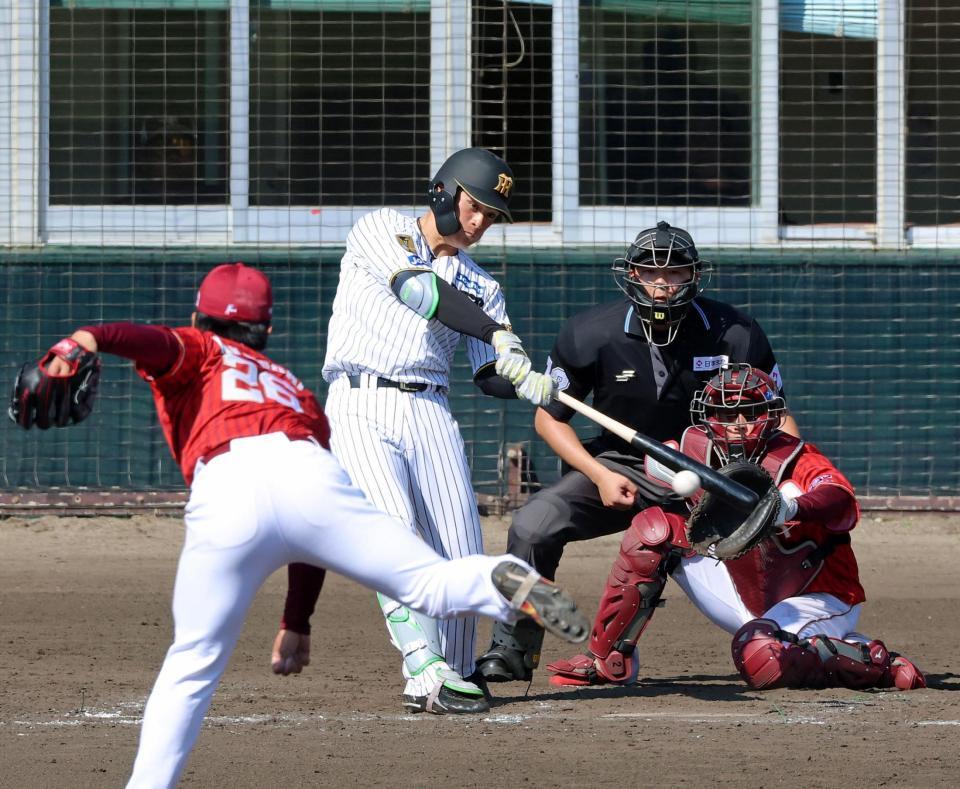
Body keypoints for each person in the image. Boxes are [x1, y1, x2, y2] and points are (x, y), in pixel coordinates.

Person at [10, 262, 586, 788]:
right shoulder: (292, 388)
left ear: (198, 318)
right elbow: (309, 533)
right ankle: (498, 577)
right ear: (265, 331)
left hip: (230, 483)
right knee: (428, 583)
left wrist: (78, 341)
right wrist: (297, 619)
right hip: (310, 473)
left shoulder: (198, 347)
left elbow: (139, 338)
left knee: (193, 662)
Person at [272, 147, 555, 715]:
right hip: (361, 399)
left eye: (491, 215)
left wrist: (529, 379)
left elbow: (487, 374)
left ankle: (456, 670)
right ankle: (424, 669)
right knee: (394, 535)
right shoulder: (382, 228)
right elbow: (418, 290)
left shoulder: (482, 285)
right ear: (444, 193)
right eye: (475, 206)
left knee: (460, 551)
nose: (480, 222)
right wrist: (496, 333)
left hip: (431, 409)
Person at [476, 220, 800, 685]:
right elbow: (549, 419)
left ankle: (800, 634)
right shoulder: (590, 333)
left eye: (675, 272)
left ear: (695, 275)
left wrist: (788, 485)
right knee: (532, 526)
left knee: (771, 611)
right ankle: (511, 649)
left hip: (714, 478)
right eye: (650, 272)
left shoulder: (736, 333)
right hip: (619, 465)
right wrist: (599, 475)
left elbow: (777, 417)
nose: (662, 284)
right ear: (631, 274)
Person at [547, 363, 925, 691]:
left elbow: (840, 499)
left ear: (771, 415)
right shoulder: (693, 451)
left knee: (762, 658)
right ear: (708, 416)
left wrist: (792, 506)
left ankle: (877, 663)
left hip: (816, 595)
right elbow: (653, 471)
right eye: (725, 415)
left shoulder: (796, 459)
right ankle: (608, 660)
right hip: (741, 588)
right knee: (653, 530)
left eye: (750, 412)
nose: (737, 425)